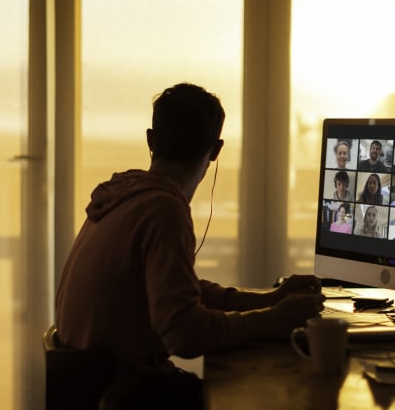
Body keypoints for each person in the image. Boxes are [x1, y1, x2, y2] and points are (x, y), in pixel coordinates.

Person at [54, 83, 324, 409]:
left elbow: (177, 290)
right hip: (125, 393)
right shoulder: (163, 211)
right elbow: (184, 333)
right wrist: (275, 318)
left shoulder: (123, 197)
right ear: (215, 150)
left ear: (151, 140)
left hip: (92, 386)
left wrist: (269, 300)